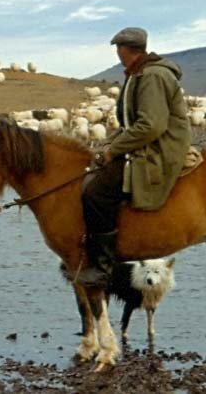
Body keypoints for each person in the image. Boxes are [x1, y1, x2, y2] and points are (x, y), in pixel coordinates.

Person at [78, 27, 191, 287]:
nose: (118, 54)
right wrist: (108, 145)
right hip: (145, 140)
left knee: (98, 192)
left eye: (118, 48)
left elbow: (151, 125)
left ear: (125, 50)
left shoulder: (152, 76)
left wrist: (115, 150)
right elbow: (131, 124)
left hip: (159, 146)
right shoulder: (139, 74)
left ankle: (104, 267)